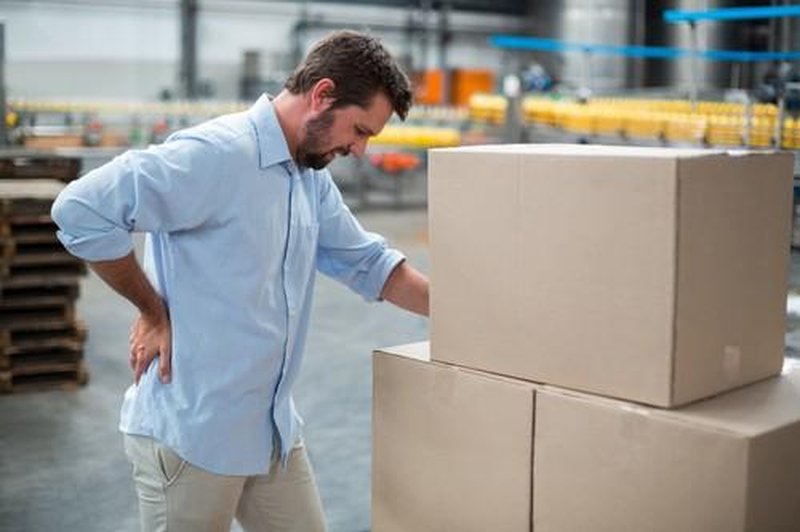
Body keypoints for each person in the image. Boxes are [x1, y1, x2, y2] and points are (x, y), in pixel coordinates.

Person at [51, 30, 429, 532]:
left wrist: (469, 311)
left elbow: (370, 264)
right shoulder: (215, 156)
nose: (358, 149)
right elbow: (81, 210)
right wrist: (151, 309)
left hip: (269, 432)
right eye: (360, 130)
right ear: (322, 95)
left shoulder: (308, 177)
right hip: (195, 436)